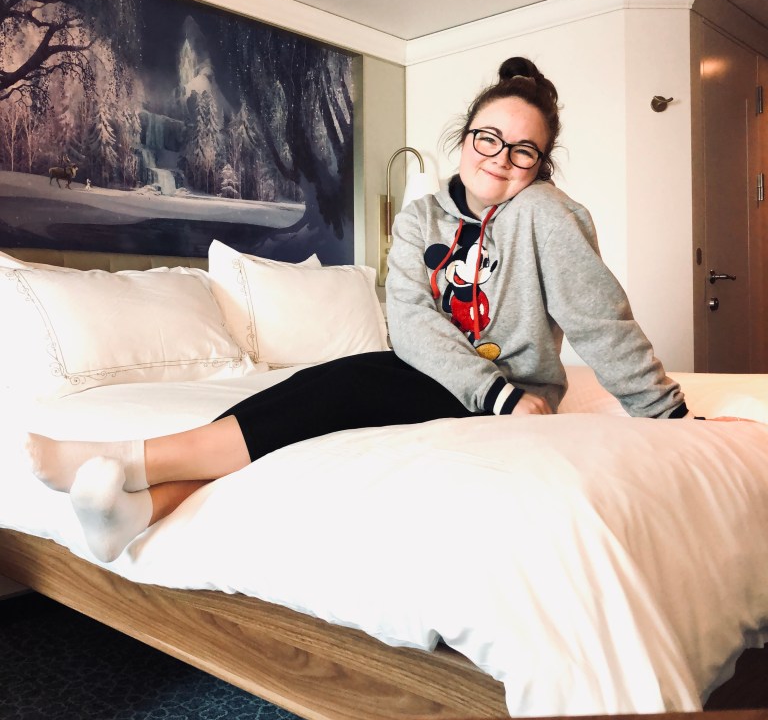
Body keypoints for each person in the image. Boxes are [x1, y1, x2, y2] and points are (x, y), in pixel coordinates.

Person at [26, 56, 694, 564]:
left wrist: (669, 418)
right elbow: (411, 323)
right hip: (437, 374)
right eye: (489, 138)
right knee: (315, 396)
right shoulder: (421, 218)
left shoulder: (545, 213)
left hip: (510, 393)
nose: (503, 158)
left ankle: (124, 456)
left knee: (347, 383)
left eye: (525, 151)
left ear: (540, 164)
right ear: (465, 139)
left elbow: (600, 320)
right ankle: (140, 510)